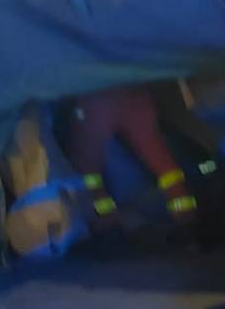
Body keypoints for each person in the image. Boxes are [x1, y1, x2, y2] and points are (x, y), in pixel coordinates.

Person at [65, 86, 198, 228]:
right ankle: (185, 215)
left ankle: (109, 220)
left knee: (90, 163)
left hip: (97, 96)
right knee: (156, 154)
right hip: (129, 91)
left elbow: (88, 165)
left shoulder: (95, 112)